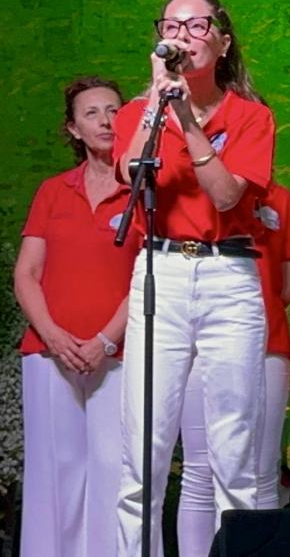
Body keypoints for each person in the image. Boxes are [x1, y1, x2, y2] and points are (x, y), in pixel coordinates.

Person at [113, 0, 274, 556]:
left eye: (198, 25)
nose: (182, 34)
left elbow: (229, 194)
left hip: (229, 277)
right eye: (172, 25)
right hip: (160, 272)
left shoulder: (252, 117)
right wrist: (159, 102)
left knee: (235, 449)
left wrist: (187, 116)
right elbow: (130, 173)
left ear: (223, 43)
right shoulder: (139, 112)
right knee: (143, 450)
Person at [14, 76, 137, 557]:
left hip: (120, 353)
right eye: (92, 113)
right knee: (54, 474)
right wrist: (53, 336)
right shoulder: (52, 191)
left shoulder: (142, 189)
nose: (106, 120)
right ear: (73, 129)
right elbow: (26, 273)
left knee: (113, 470)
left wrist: (105, 340)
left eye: (114, 110)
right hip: (48, 354)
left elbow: (150, 276)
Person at [177, 180, 290, 556]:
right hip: (200, 346)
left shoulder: (281, 199)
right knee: (200, 472)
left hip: (267, 344)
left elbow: (289, 284)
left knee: (262, 472)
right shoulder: (194, 193)